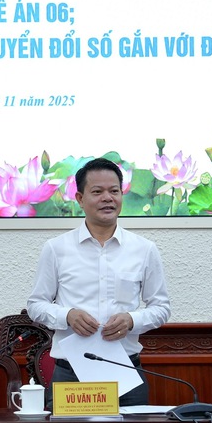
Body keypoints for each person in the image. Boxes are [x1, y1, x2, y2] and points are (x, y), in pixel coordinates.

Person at [27, 157, 171, 409]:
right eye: (97, 192)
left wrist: (132, 320)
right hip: (72, 373)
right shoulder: (56, 248)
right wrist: (67, 315)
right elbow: (36, 305)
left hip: (125, 371)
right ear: (80, 198)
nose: (108, 198)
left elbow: (161, 308)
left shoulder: (144, 249)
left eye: (114, 191)